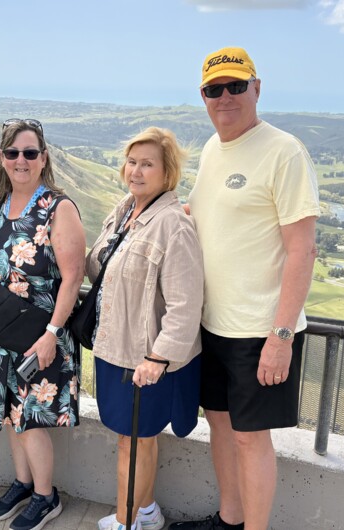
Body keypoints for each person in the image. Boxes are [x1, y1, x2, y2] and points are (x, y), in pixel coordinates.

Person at [171, 47, 320, 530]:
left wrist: (281, 337)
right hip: (213, 323)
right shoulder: (214, 149)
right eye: (214, 89)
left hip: (259, 330)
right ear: (203, 96)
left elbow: (302, 250)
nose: (225, 97)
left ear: (257, 88)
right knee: (219, 424)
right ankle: (229, 519)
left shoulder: (284, 151)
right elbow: (206, 217)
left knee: (250, 438)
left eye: (236, 86)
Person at [0, 119, 85, 530]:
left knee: (31, 418)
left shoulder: (58, 208)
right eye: (13, 153)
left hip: (39, 336)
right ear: (2, 158)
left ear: (43, 158)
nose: (21, 160)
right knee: (9, 414)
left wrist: (52, 334)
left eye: (30, 153)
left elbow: (73, 277)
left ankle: (45, 496)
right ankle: (23, 483)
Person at [86, 127, 204, 530]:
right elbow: (99, 268)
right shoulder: (125, 210)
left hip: (144, 359)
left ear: (167, 172)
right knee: (139, 438)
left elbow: (185, 304)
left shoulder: (173, 225)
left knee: (131, 442)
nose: (135, 171)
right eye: (132, 162)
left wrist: (157, 357)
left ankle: (125, 522)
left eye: (147, 164)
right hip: (116, 348)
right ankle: (148, 512)